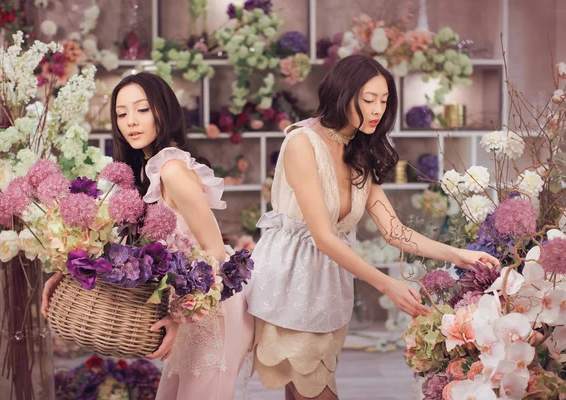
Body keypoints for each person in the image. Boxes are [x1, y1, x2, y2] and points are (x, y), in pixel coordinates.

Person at [244, 55, 500, 400]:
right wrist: (387, 285)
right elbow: (321, 235)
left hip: (327, 288)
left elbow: (394, 230)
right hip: (289, 284)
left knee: (306, 389)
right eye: (368, 100)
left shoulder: (358, 152)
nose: (377, 109)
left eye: (384, 100)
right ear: (342, 95)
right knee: (313, 390)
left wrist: (462, 254)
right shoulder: (302, 144)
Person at [42, 72, 254, 399]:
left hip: (211, 309)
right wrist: (64, 273)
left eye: (142, 109)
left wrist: (177, 316)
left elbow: (217, 253)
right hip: (188, 305)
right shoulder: (146, 172)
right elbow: (123, 249)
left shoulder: (172, 170)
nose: (131, 121)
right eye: (122, 113)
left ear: (162, 110)